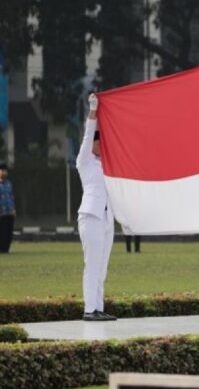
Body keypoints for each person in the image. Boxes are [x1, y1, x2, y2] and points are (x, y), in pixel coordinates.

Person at [76, 94, 117, 322]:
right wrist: (94, 109)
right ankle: (89, 310)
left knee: (102, 266)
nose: (101, 145)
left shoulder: (109, 165)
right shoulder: (85, 161)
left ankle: (98, 307)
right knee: (92, 264)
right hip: (91, 215)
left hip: (107, 218)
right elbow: (87, 134)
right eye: (98, 141)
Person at [0, 164, 15, 253]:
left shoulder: (9, 184)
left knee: (8, 233)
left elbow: (11, 197)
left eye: (5, 170)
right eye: (2, 170)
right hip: (1, 213)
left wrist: (13, 209)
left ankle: (6, 249)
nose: (4, 172)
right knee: (2, 232)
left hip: (9, 212)